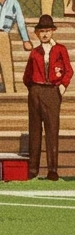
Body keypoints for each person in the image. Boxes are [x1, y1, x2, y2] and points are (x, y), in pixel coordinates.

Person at [22, 14, 71, 180]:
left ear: (53, 31)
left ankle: (52, 169)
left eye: (47, 31)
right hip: (36, 90)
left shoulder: (60, 49)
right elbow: (27, 76)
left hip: (52, 91)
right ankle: (33, 168)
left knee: (52, 130)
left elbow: (68, 71)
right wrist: (33, 89)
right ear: (37, 33)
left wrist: (61, 88)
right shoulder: (35, 52)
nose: (44, 34)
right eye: (41, 31)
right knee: (34, 130)